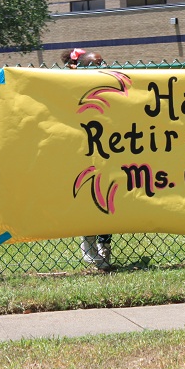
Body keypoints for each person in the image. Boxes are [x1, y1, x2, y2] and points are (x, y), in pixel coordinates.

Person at [72, 50, 113, 269]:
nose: (102, 66)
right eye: (97, 63)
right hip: (83, 152)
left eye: (102, 62)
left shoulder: (110, 87)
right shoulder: (72, 87)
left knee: (109, 199)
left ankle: (104, 247)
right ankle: (88, 244)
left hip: (107, 151)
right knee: (89, 198)